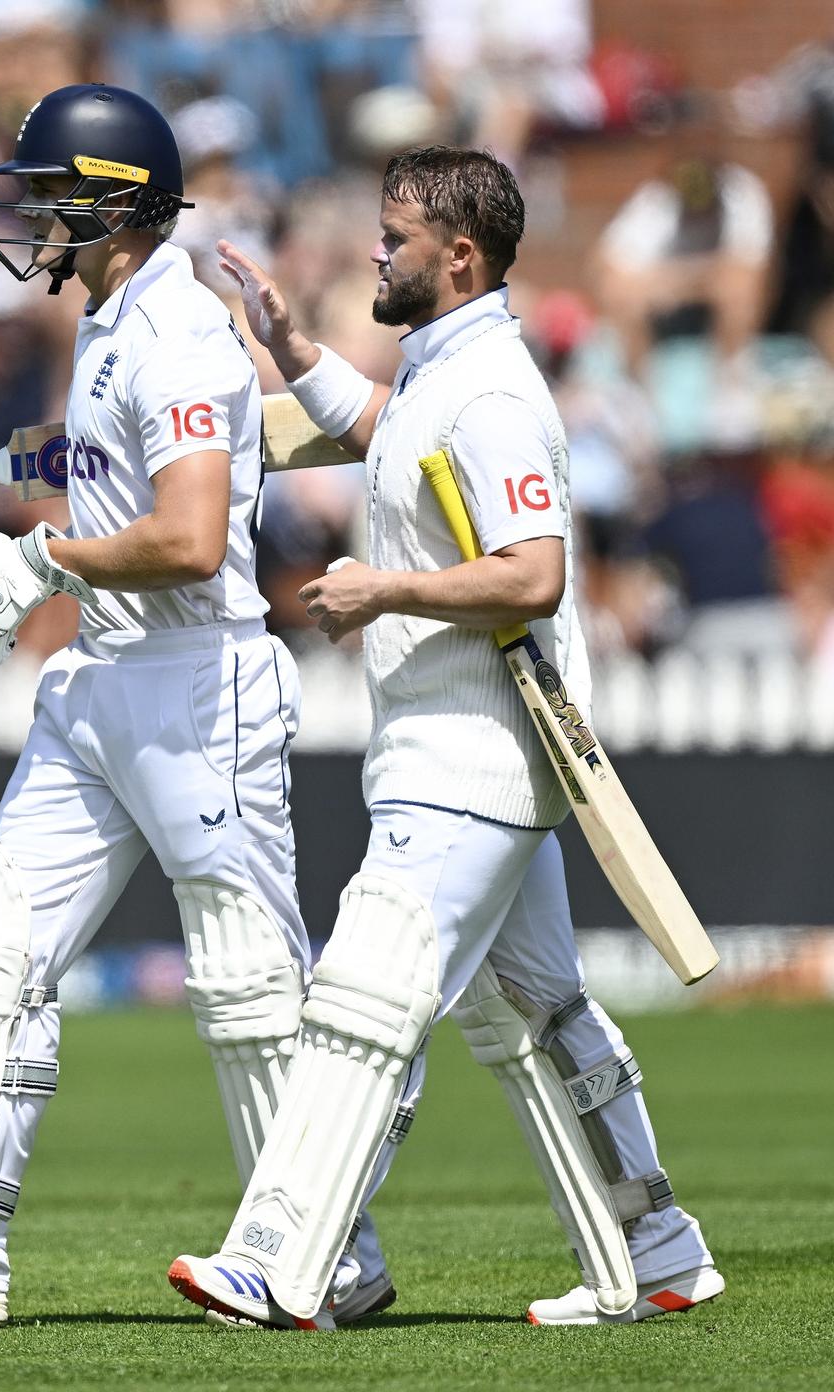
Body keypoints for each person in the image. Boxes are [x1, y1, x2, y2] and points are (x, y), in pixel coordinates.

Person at [0, 82, 399, 1329]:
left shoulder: (178, 330)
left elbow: (185, 537)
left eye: (50, 196)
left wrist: (35, 563)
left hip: (198, 683)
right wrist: (9, 491)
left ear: (110, 205)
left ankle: (329, 1255)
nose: (31, 221)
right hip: (101, 683)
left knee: (246, 988)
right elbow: (104, 462)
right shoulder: (115, 318)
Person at [169, 146, 726, 1329]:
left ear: (458, 256)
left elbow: (534, 575)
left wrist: (383, 593)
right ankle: (661, 1248)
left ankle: (282, 1264)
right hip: (457, 750)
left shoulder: (497, 394)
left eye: (395, 234)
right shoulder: (442, 377)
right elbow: (386, 430)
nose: (377, 250)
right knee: (538, 1010)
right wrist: (290, 347)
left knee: (366, 994)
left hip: (470, 753)